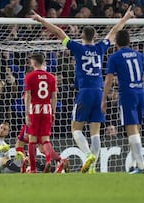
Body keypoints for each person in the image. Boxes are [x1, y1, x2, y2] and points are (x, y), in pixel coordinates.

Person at [31, 7, 134, 173]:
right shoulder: (101, 48)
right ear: (95, 37)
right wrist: (126, 17)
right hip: (99, 93)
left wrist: (41, 20)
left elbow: (58, 32)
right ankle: (92, 168)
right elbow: (114, 31)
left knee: (76, 129)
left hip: (85, 91)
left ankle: (88, 156)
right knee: (95, 133)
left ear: (81, 37)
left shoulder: (77, 48)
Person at [101, 29, 144, 174]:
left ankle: (141, 166)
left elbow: (108, 80)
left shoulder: (115, 57)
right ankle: (133, 165)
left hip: (127, 94)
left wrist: (103, 99)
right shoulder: (139, 55)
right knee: (136, 130)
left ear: (115, 42)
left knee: (131, 130)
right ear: (129, 41)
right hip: (141, 93)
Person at [23, 53, 61, 173]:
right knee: (45, 140)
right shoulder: (51, 77)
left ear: (34, 63)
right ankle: (49, 160)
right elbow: (54, 97)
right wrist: (53, 113)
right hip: (47, 109)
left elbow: (28, 96)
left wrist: (26, 113)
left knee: (32, 140)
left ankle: (33, 169)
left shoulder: (29, 76)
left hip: (34, 109)